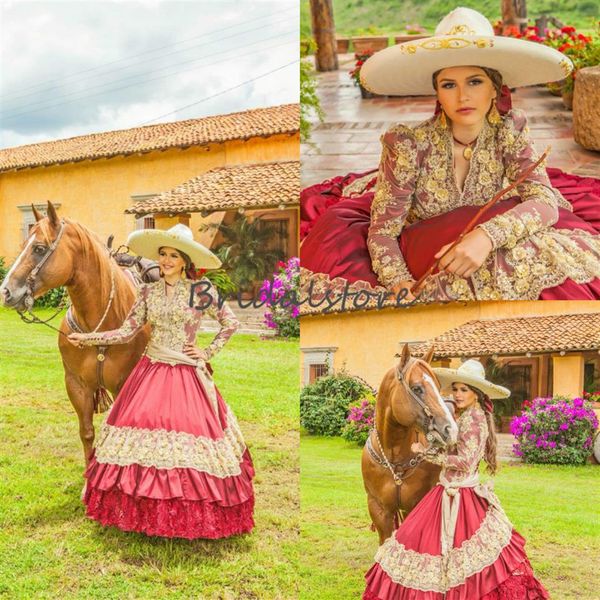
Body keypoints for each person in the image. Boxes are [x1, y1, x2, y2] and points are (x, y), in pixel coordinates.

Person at [300, 7, 600, 303]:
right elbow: (383, 233)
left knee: (548, 259)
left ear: (495, 89)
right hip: (427, 249)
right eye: (448, 85)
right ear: (438, 93)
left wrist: (487, 237)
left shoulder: (510, 130)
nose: (462, 96)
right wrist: (398, 281)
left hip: (491, 238)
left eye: (475, 81)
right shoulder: (407, 145)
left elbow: (544, 200)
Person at [67, 224, 254, 539]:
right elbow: (127, 331)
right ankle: (142, 511)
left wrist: (206, 351)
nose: (166, 260)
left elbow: (230, 322)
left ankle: (188, 514)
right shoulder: (147, 291)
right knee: (141, 428)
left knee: (186, 436)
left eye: (174, 255)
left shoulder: (201, 290)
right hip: (151, 370)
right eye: (163, 254)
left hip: (184, 372)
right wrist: (88, 338)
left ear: (185, 261)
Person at [363, 359, 548, 599]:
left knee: (466, 553)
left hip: (462, 495)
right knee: (423, 542)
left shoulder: (476, 420)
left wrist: (426, 453)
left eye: (464, 390)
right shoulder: (464, 416)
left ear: (477, 394)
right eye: (456, 389)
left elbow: (466, 462)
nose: (458, 395)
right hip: (446, 490)